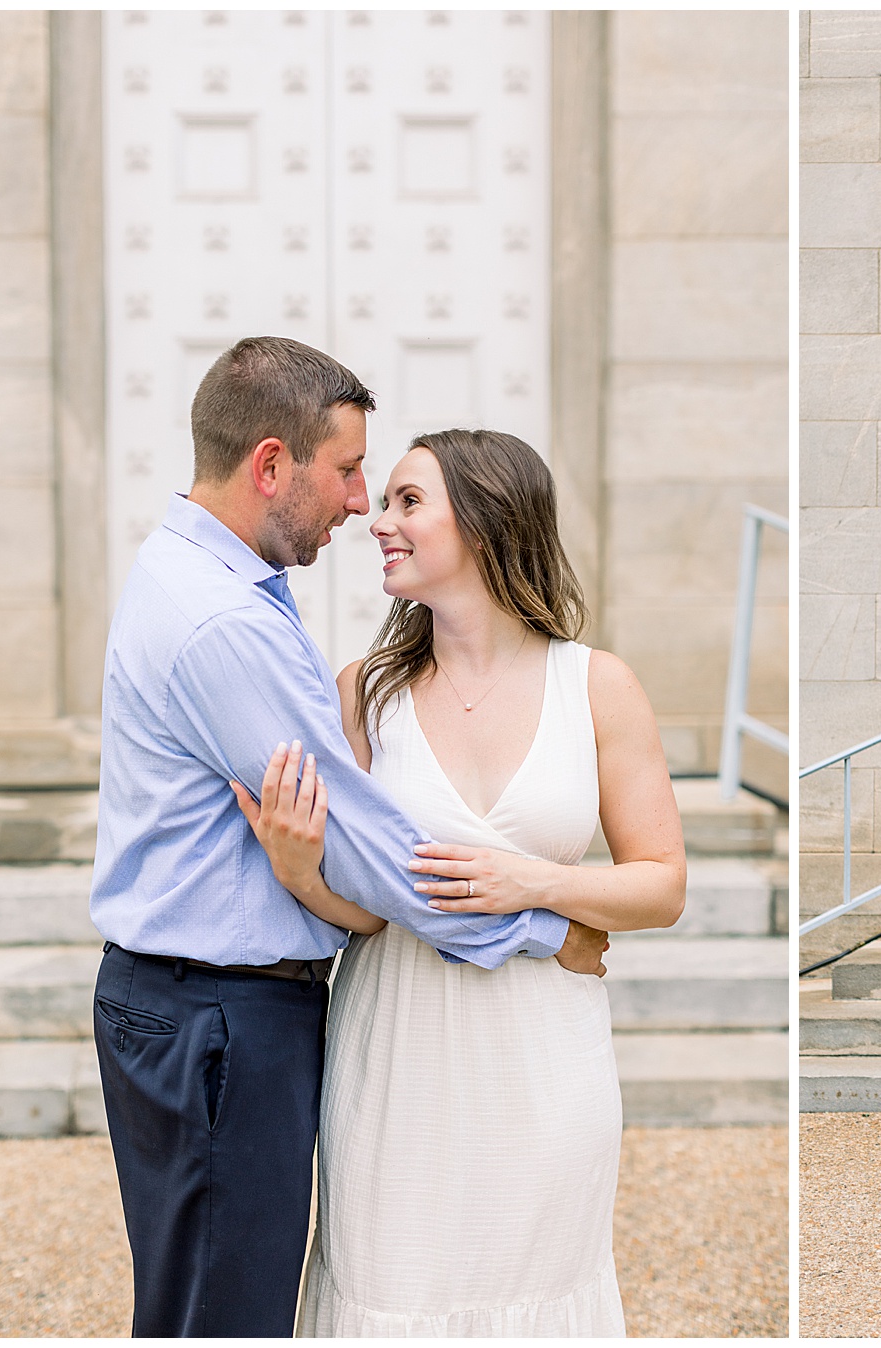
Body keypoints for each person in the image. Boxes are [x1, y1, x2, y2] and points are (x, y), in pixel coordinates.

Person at [89, 337, 610, 1337]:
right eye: (349, 470)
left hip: (209, 1009)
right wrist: (544, 928)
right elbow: (364, 844)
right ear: (271, 465)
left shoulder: (215, 580)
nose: (360, 503)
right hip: (217, 1016)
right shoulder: (221, 620)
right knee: (224, 1319)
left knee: (208, 1307)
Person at [239, 427, 685, 1334]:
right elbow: (368, 913)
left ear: (485, 522)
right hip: (396, 1053)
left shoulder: (597, 687)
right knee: (390, 1285)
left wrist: (535, 885)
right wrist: (297, 870)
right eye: (384, 501)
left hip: (545, 1057)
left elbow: (662, 886)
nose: (378, 521)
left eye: (409, 502)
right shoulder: (365, 692)